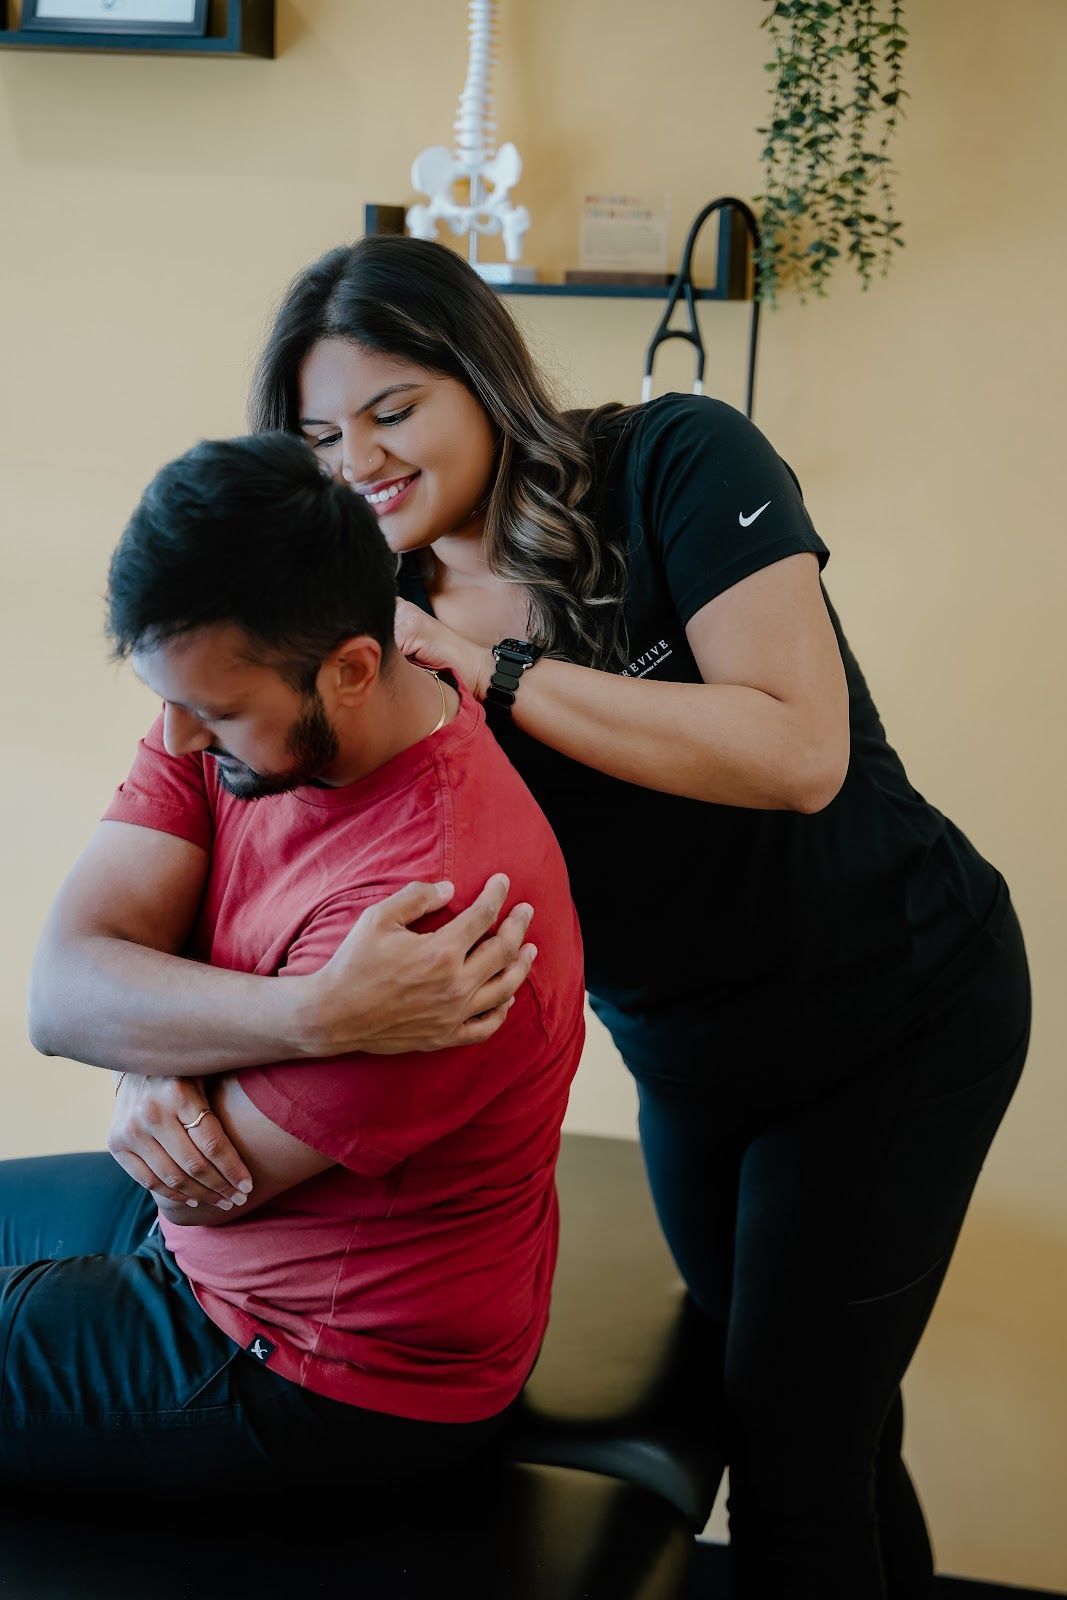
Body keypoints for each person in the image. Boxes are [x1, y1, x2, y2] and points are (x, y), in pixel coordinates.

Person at [40, 237, 1029, 1598]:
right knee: (827, 1402)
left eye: (393, 411)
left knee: (793, 1456)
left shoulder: (670, 462)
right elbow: (244, 859)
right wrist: (152, 1055)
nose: (362, 460)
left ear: (481, 378)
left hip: (893, 1010)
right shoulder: (359, 616)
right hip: (688, 1046)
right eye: (322, 434)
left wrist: (493, 670)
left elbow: (797, 754)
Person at [14, 430, 585, 1499]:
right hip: (204, 1253)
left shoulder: (438, 914)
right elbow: (63, 992)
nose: (176, 739)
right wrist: (312, 1013)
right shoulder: (223, 699)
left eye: (216, 714)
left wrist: (148, 1022)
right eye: (168, 700)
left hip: (322, 1366)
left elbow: (203, 1189)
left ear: (352, 670)